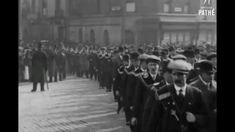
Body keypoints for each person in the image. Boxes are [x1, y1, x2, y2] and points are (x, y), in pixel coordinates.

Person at [152, 60, 209, 132]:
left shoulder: (196, 93)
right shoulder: (162, 92)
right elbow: (154, 119)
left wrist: (195, 118)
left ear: (187, 75)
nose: (176, 77)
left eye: (180, 74)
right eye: (174, 74)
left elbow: (206, 117)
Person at [131, 55, 162, 132]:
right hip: (145, 111)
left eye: (155, 65)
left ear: (159, 66)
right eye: (151, 65)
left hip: (160, 113)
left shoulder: (162, 78)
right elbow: (137, 97)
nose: (153, 67)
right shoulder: (142, 78)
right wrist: (134, 115)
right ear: (147, 66)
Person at [190, 60, 217, 132]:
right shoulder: (192, 87)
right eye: (209, 73)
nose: (211, 76)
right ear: (201, 73)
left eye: (213, 73)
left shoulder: (215, 85)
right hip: (200, 126)